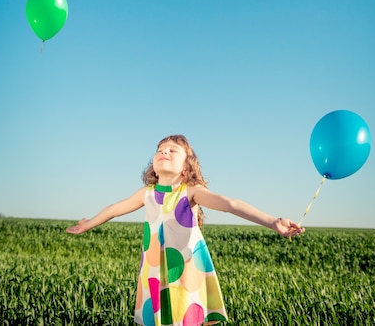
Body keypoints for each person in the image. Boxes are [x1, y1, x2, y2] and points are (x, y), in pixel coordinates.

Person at [66, 134, 304, 326]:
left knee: (186, 316)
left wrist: (272, 221)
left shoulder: (191, 192)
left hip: (185, 272)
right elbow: (114, 209)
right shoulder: (146, 194)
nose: (164, 152)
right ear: (154, 167)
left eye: (172, 150)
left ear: (186, 167)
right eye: (160, 150)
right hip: (153, 272)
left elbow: (231, 204)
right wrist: (88, 224)